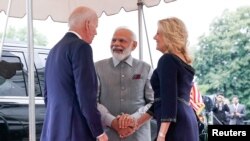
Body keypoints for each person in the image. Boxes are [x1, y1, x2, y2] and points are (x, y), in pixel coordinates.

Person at [40, 6, 108, 141]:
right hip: (75, 131)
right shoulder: (82, 47)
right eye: (96, 26)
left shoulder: (53, 50)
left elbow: (46, 94)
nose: (96, 33)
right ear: (88, 24)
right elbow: (86, 96)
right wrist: (99, 132)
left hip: (52, 129)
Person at [137, 17, 199, 141]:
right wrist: (137, 124)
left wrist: (161, 135)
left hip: (174, 125)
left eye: (158, 33)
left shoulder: (167, 59)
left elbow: (169, 99)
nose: (154, 37)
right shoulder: (183, 62)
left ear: (169, 35)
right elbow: (162, 100)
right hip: (186, 120)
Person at [95, 27, 154, 141]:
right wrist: (112, 121)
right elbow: (93, 101)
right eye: (114, 40)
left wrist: (132, 120)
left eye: (122, 41)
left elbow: (153, 102)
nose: (116, 44)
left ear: (134, 45)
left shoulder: (145, 68)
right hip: (107, 136)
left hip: (139, 136)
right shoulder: (96, 67)